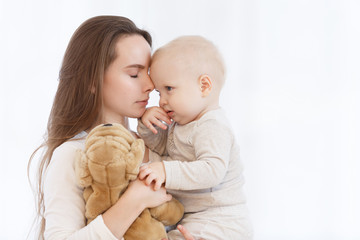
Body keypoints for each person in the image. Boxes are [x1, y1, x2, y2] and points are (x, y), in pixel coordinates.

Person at [28, 16, 196, 240]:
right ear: (92, 81)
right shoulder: (72, 155)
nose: (149, 85)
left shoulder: (160, 144)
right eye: (134, 74)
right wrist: (134, 200)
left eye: (149, 73)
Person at [137, 36, 253, 240]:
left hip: (220, 220)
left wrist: (166, 170)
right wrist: (147, 124)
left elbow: (212, 170)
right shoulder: (182, 122)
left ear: (204, 86)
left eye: (169, 89)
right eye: (158, 92)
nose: (162, 101)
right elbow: (161, 148)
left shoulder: (212, 125)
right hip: (195, 217)